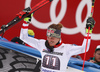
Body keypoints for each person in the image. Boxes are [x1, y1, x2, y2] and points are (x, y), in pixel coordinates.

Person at [19, 8, 95, 72]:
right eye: (48, 37)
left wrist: (88, 32)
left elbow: (84, 48)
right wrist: (26, 22)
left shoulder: (66, 48)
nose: (49, 40)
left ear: (58, 37)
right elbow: (23, 37)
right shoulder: (42, 44)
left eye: (52, 37)